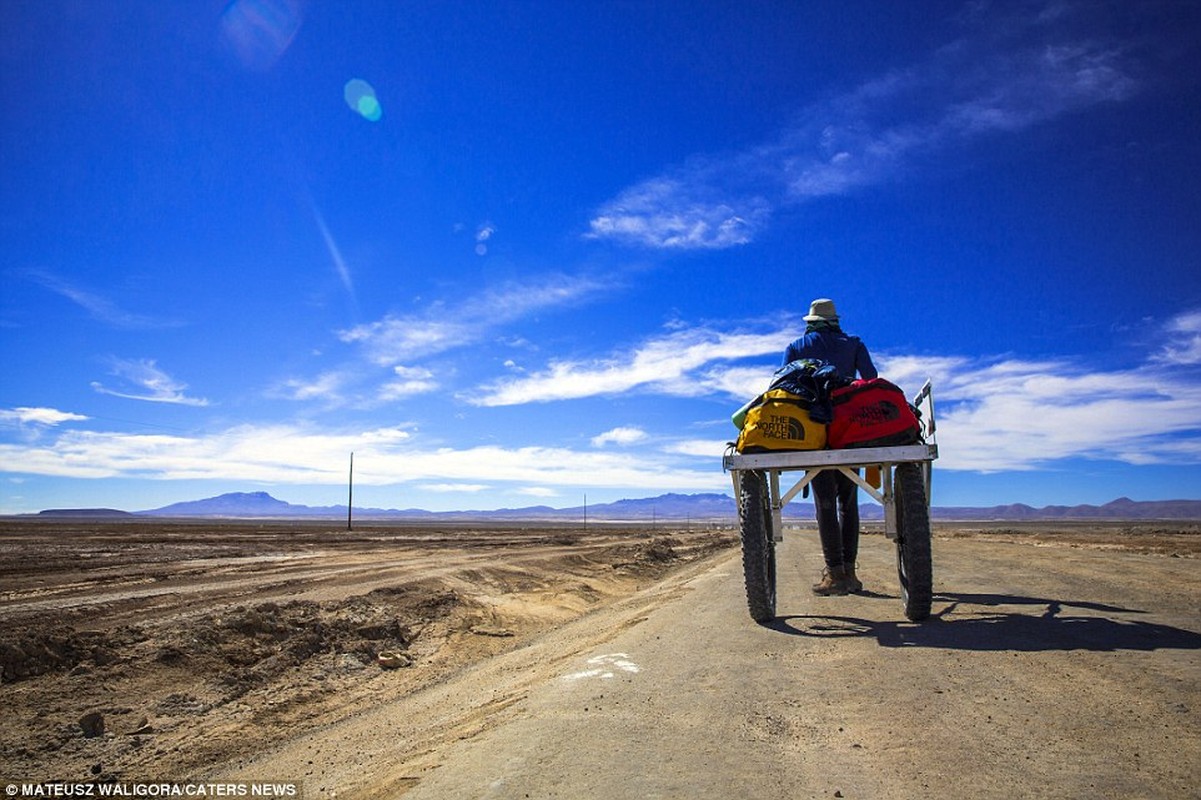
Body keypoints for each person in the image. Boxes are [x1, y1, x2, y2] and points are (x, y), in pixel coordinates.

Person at [782, 298, 878, 596]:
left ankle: (835, 575)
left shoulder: (797, 347)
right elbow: (871, 381)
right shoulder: (854, 344)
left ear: (810, 322)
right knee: (848, 503)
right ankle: (850, 572)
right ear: (835, 319)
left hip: (814, 432)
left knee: (824, 503)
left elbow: (784, 387)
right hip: (850, 430)